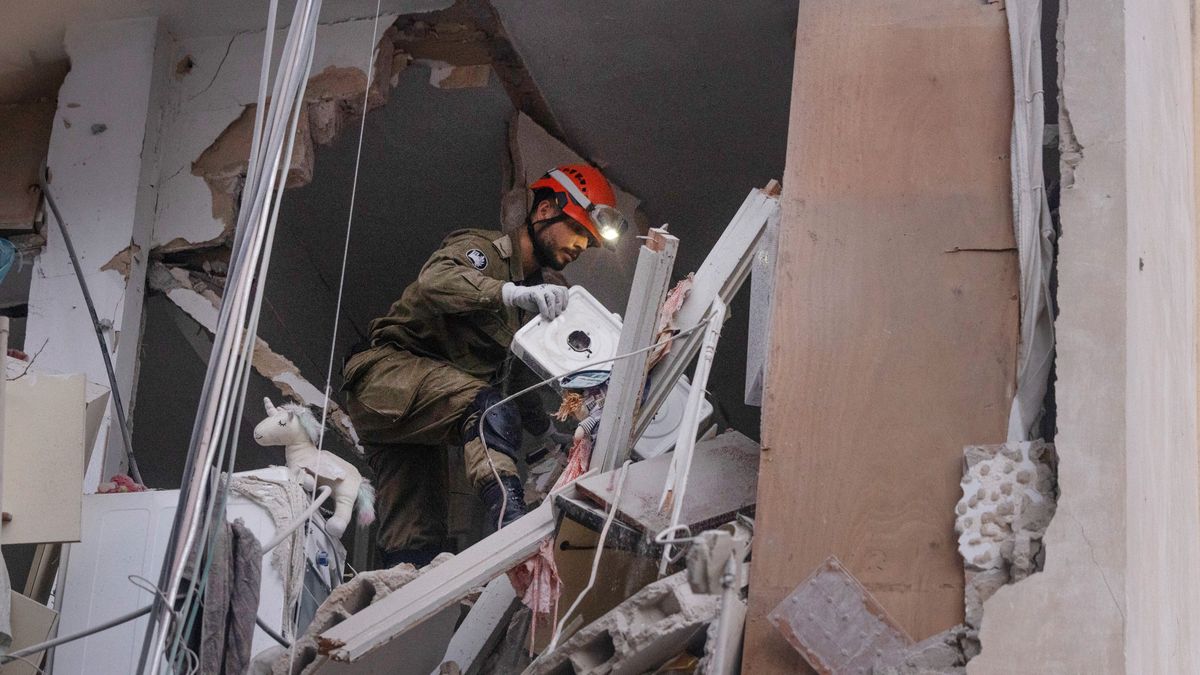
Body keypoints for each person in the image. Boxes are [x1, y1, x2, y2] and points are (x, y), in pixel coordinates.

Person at [341, 164, 628, 567]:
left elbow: (518, 379)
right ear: (545, 211)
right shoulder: (486, 252)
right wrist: (505, 293)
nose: (583, 245)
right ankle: (510, 528)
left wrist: (547, 434)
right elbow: (435, 280)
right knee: (486, 408)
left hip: (422, 418)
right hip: (386, 377)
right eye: (579, 230)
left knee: (416, 544)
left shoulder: (536, 300)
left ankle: (388, 613)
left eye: (590, 241)